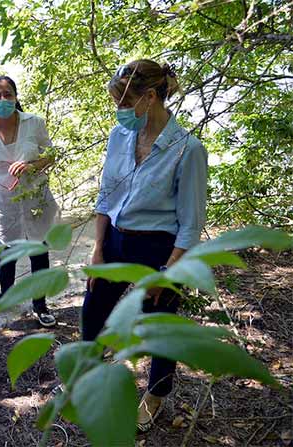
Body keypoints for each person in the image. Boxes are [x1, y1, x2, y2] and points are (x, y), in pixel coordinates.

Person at [83, 59, 208, 431]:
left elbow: (191, 222)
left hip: (160, 250)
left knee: (160, 329)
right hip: (116, 241)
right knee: (92, 312)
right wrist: (98, 247)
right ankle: (88, 379)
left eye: (124, 103)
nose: (119, 112)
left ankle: (155, 396)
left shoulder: (188, 149)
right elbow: (106, 194)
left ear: (150, 97)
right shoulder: (119, 136)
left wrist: (168, 273)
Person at [0, 75, 59, 327]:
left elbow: (51, 154)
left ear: (16, 96)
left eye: (8, 94)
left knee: (38, 253)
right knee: (6, 255)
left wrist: (32, 165)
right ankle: (6, 295)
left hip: (35, 201)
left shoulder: (35, 123)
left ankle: (40, 303)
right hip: (5, 205)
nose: (3, 100)